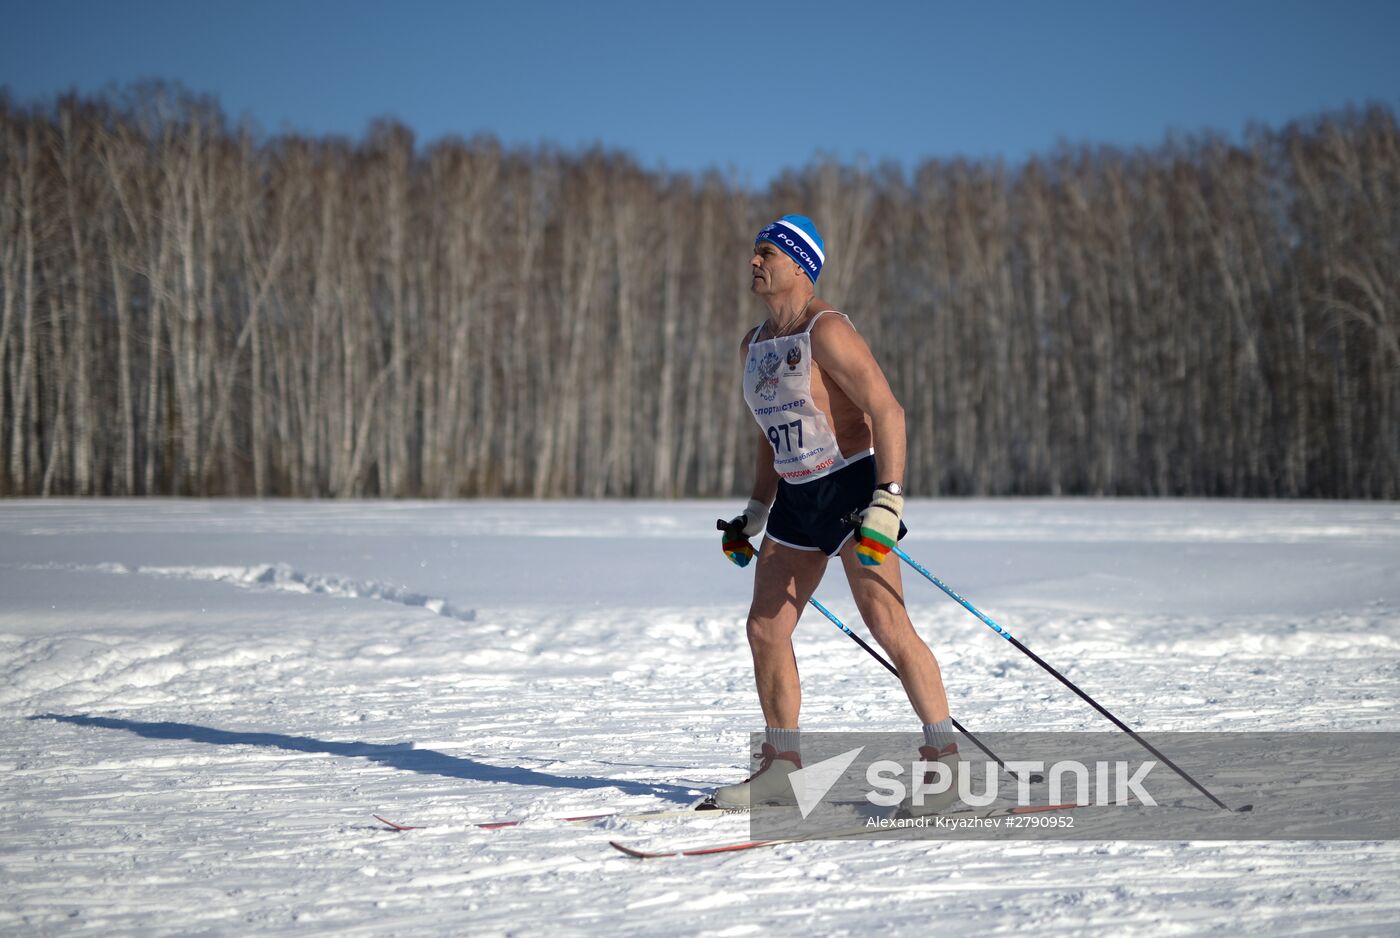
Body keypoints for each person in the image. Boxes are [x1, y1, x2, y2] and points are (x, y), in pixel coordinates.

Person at [714, 214, 960, 816]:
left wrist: (888, 499)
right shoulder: (752, 344)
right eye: (753, 252)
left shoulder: (827, 330)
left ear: (799, 265)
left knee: (888, 624)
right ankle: (782, 770)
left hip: (850, 487)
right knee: (765, 628)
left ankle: (945, 768)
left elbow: (889, 410)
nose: (753, 262)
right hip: (796, 497)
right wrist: (754, 509)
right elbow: (767, 434)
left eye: (765, 252)